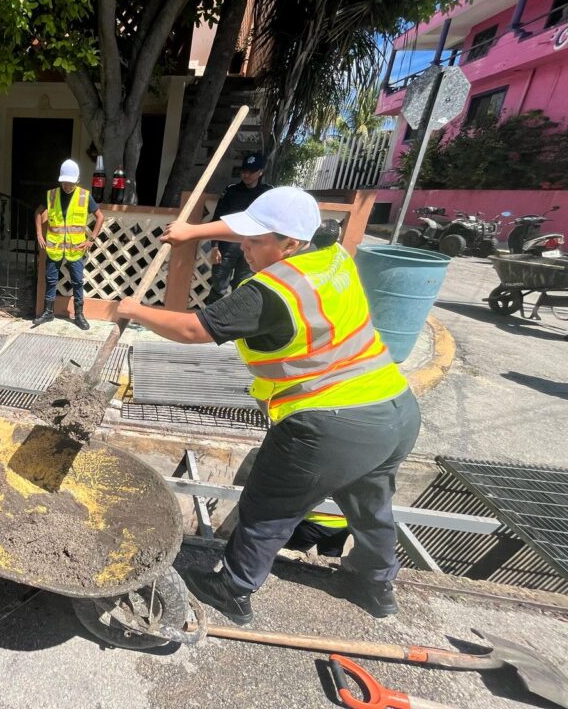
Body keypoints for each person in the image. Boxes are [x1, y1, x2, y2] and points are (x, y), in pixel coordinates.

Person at [117, 186, 420, 623]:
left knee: (268, 508)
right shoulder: (332, 253)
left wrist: (133, 309)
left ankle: (232, 589)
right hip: (394, 409)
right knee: (372, 506)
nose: (245, 247)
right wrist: (192, 232)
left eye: (256, 242)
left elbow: (192, 331)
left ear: (289, 245)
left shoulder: (271, 292)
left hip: (329, 424)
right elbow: (258, 226)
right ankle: (374, 587)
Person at [33, 159, 105, 330]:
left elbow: (100, 217)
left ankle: (79, 315)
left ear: (77, 181)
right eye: (65, 182)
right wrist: (39, 235)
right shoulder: (51, 195)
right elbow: (38, 212)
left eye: (71, 183)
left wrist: (91, 240)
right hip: (55, 247)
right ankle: (48, 312)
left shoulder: (84, 196)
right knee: (51, 280)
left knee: (77, 282)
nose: (67, 186)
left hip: (76, 248)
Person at [207, 153, 272, 303]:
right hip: (227, 246)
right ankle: (209, 322)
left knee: (242, 287)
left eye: (251, 171)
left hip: (252, 246)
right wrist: (214, 246)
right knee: (218, 287)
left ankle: (233, 323)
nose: (246, 175)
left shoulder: (267, 193)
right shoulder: (231, 191)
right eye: (244, 171)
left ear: (260, 172)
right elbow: (218, 218)